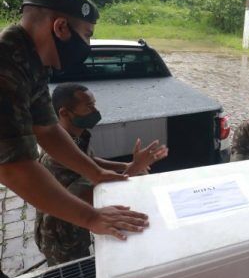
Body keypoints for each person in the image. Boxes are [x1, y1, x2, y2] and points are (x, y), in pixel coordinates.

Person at [0, 0, 149, 278]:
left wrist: (95, 172)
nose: (89, 44)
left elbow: (49, 130)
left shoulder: (30, 60)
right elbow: (14, 167)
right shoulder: (5, 62)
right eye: (87, 34)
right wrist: (91, 217)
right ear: (61, 27)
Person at [36, 83, 168, 266]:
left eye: (94, 104)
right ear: (65, 113)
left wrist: (126, 165)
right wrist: (133, 170)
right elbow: (89, 197)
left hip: (80, 221)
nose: (95, 111)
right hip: (61, 233)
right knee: (71, 276)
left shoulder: (75, 136)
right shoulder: (56, 156)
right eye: (89, 107)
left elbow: (90, 161)